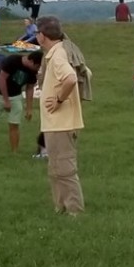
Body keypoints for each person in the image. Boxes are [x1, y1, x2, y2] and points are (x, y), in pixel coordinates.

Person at [35, 15, 84, 215]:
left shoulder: (58, 55)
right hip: (53, 124)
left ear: (42, 35)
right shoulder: (55, 53)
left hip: (62, 123)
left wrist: (58, 100)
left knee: (65, 169)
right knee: (55, 169)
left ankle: (75, 211)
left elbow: (71, 78)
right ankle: (61, 207)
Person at [0, 50, 42, 153]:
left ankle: (14, 152)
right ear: (32, 61)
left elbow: (30, 88)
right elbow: (2, 79)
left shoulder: (33, 71)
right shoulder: (12, 61)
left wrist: (29, 109)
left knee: (14, 124)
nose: (38, 70)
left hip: (15, 95)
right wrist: (6, 100)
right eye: (38, 66)